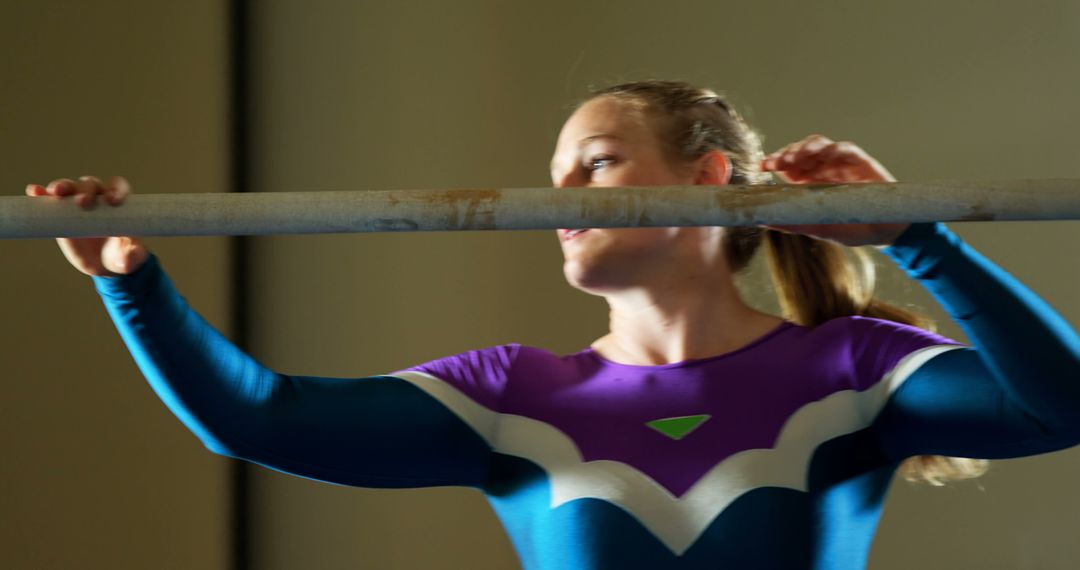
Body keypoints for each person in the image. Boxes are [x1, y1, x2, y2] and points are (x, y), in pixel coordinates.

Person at [28, 80, 1080, 569]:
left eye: (598, 165)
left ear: (709, 183)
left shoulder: (852, 367)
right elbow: (254, 418)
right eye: (555, 179)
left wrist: (919, 236)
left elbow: (1061, 406)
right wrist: (126, 276)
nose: (566, 196)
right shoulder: (510, 395)